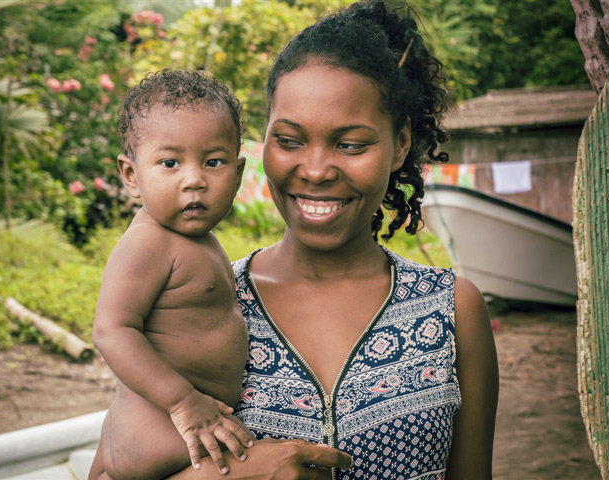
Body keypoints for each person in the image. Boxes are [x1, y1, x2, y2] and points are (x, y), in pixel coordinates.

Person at [166, 0, 499, 478]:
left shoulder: (450, 310)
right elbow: (111, 468)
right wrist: (248, 472)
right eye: (289, 140)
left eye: (351, 144)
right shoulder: (199, 300)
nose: (317, 170)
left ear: (400, 143)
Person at [88, 69, 256, 480]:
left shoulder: (197, 240)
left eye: (213, 162)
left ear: (237, 174)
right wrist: (184, 402)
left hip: (162, 432)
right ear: (132, 176)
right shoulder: (148, 242)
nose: (194, 180)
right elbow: (112, 330)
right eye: (170, 163)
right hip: (166, 429)